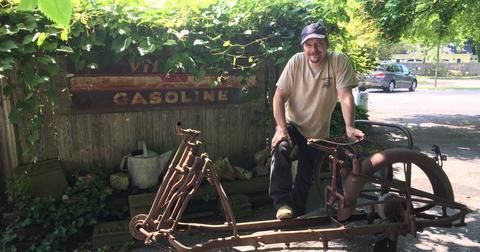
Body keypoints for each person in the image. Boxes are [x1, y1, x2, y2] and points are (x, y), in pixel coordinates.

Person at [269, 22, 365, 219]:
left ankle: (297, 216)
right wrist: (280, 129)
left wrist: (349, 126)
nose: (314, 50)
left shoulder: (338, 61)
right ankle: (282, 203)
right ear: (303, 46)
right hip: (293, 123)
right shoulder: (296, 62)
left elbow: (345, 95)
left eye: (318, 44)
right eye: (308, 44)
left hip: (318, 131)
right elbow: (279, 96)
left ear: (326, 44)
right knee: (281, 149)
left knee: (305, 175)